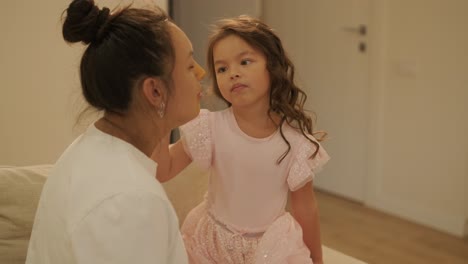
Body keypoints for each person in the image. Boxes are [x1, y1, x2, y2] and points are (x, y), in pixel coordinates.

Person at [25, 0, 205, 263]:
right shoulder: (129, 200)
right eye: (190, 65)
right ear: (154, 91)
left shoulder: (92, 151)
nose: (200, 73)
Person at [153, 15, 330, 264]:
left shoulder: (296, 142)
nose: (233, 73)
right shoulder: (210, 127)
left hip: (269, 249)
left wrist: (317, 259)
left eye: (245, 62)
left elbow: (306, 209)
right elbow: (163, 169)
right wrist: (161, 117)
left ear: (273, 66)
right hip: (210, 244)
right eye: (222, 68)